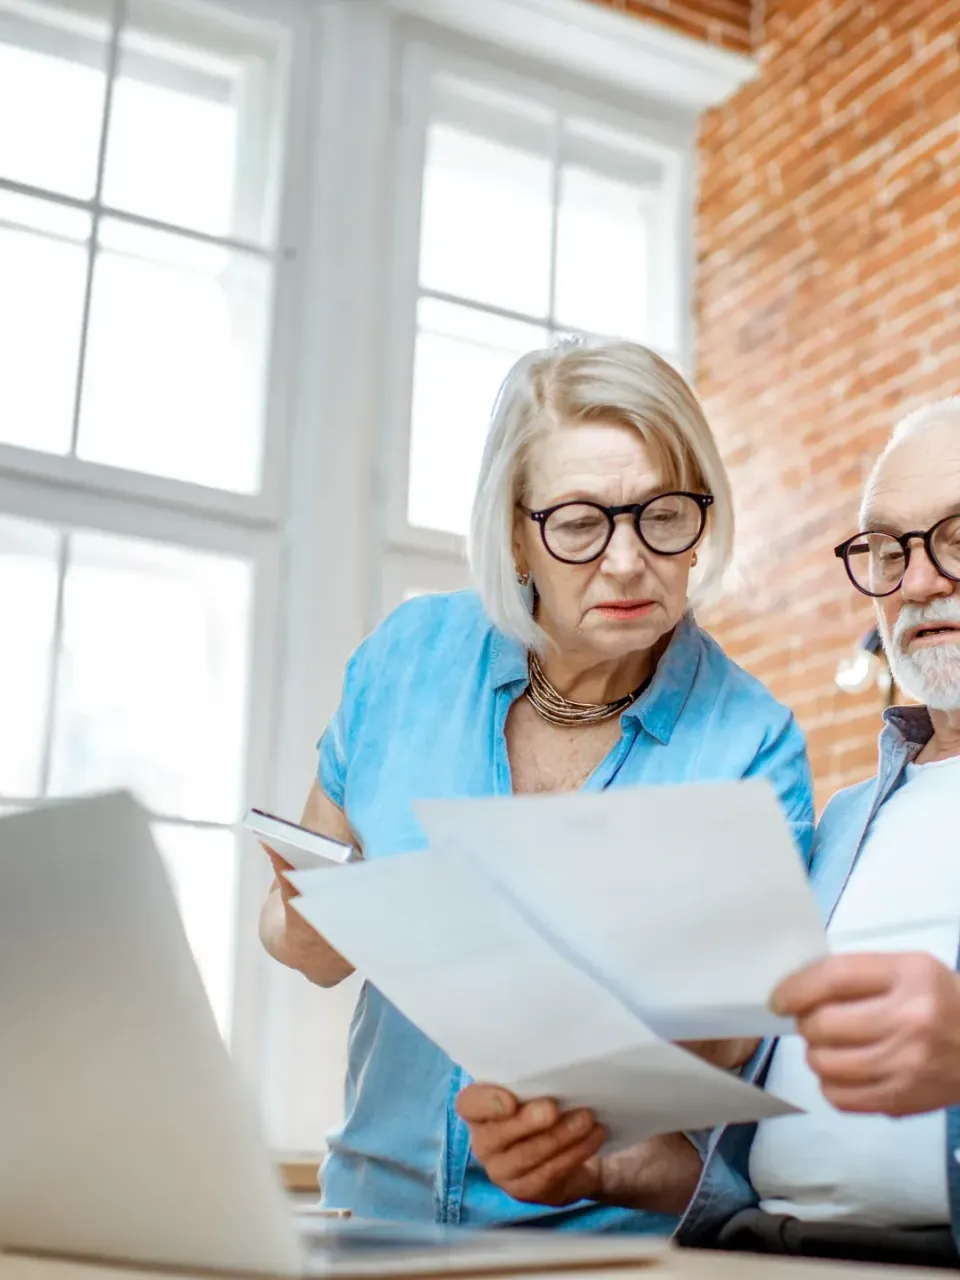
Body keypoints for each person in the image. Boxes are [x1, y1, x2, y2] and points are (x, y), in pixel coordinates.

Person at [259, 339, 814, 1232]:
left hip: (592, 1243)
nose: (628, 561)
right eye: (581, 524)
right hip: (373, 1217)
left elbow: (730, 1053)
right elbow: (304, 941)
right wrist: (311, 915)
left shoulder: (752, 743)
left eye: (664, 515)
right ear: (516, 534)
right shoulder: (406, 658)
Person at [462, 397, 960, 1266]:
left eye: (957, 537)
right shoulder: (846, 824)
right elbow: (778, 1151)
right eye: (886, 549)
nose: (916, 582)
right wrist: (606, 1166)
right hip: (760, 1253)